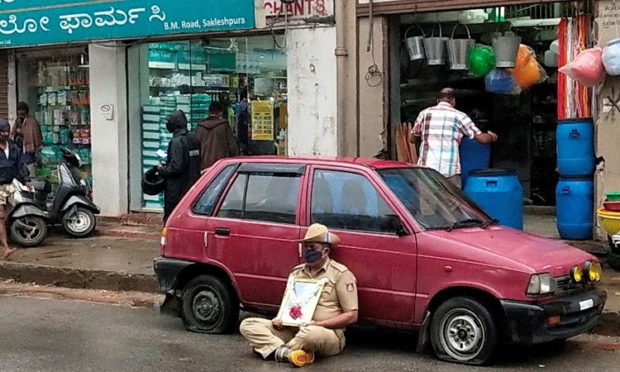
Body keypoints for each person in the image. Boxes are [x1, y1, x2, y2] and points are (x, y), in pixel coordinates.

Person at [240, 223, 358, 367]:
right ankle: (292, 354)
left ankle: (275, 349)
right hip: (292, 329)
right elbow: (287, 304)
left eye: (312, 247)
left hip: (325, 333)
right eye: (306, 246)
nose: (307, 251)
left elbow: (352, 315)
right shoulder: (296, 273)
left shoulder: (340, 274)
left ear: (326, 251)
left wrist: (318, 324)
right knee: (248, 324)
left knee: (310, 334)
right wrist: (280, 319)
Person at [409, 88, 498, 188]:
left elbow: (412, 139)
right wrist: (492, 136)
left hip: (427, 170)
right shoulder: (460, 116)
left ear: (438, 100)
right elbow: (482, 139)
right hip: (449, 171)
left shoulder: (424, 114)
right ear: (453, 100)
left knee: (427, 203)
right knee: (451, 203)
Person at [157, 110, 200, 222]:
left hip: (176, 190)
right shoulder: (193, 139)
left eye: (169, 122)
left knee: (171, 220)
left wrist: (162, 169)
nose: (167, 125)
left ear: (175, 124)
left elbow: (176, 167)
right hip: (191, 186)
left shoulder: (176, 141)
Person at [0, 119, 32, 259]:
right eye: (3, 131)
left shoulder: (13, 148)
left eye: (7, 131)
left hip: (9, 186)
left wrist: (26, 180)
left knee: (6, 215)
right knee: (0, 217)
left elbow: (20, 165)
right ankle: (6, 248)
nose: (6, 133)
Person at [195, 102, 239, 171]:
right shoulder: (224, 126)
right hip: (221, 166)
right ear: (220, 113)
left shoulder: (200, 127)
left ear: (208, 112)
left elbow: (196, 147)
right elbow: (232, 147)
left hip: (204, 166)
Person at [11, 102, 43, 178]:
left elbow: (36, 134)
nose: (21, 112)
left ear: (26, 111)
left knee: (29, 167)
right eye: (19, 110)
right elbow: (12, 133)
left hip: (29, 148)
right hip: (19, 148)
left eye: (23, 110)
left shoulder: (32, 121)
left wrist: (21, 131)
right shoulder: (17, 121)